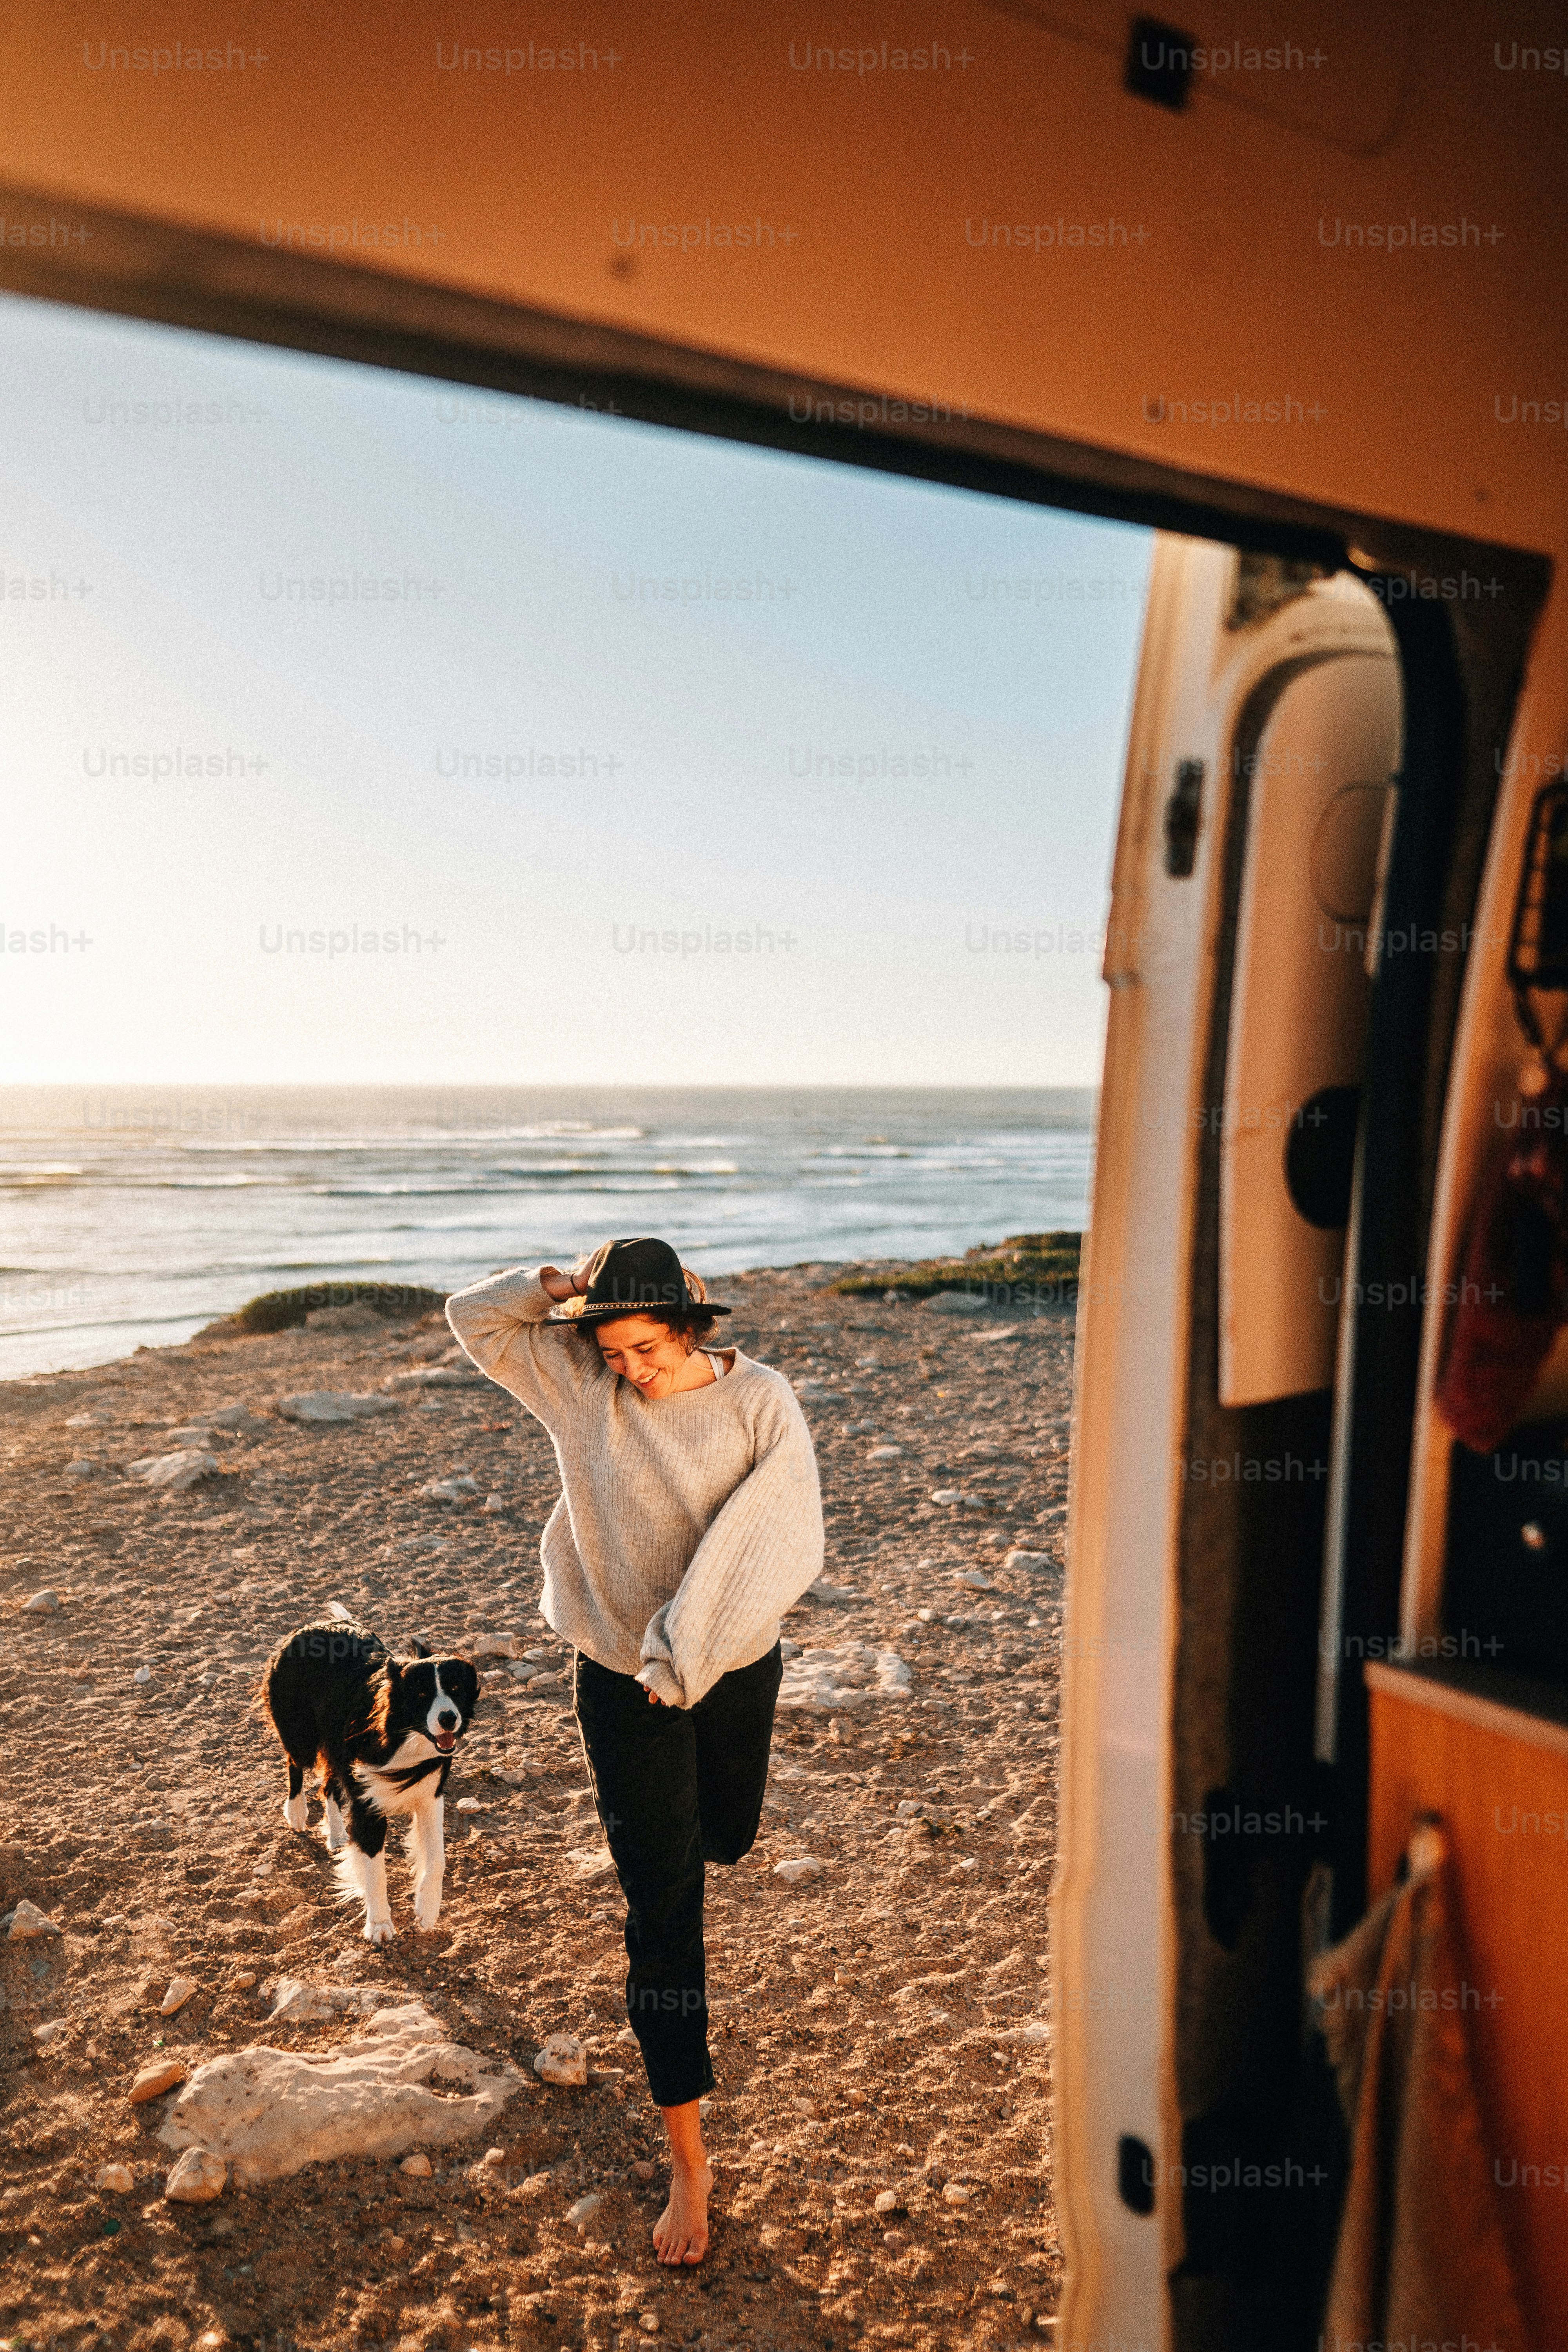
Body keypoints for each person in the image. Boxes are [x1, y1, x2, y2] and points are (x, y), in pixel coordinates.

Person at [446, 1235, 824, 2263]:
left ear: (694, 1328)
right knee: (665, 1912)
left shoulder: (761, 1403)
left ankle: (692, 1841)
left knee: (729, 1839)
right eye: (613, 1351)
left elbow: (779, 1534)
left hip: (736, 1664)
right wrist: (551, 1287)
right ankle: (690, 2163)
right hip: (623, 1682)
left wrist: (688, 1642)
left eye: (649, 1348)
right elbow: (469, 1320)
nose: (632, 1370)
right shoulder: (578, 1383)